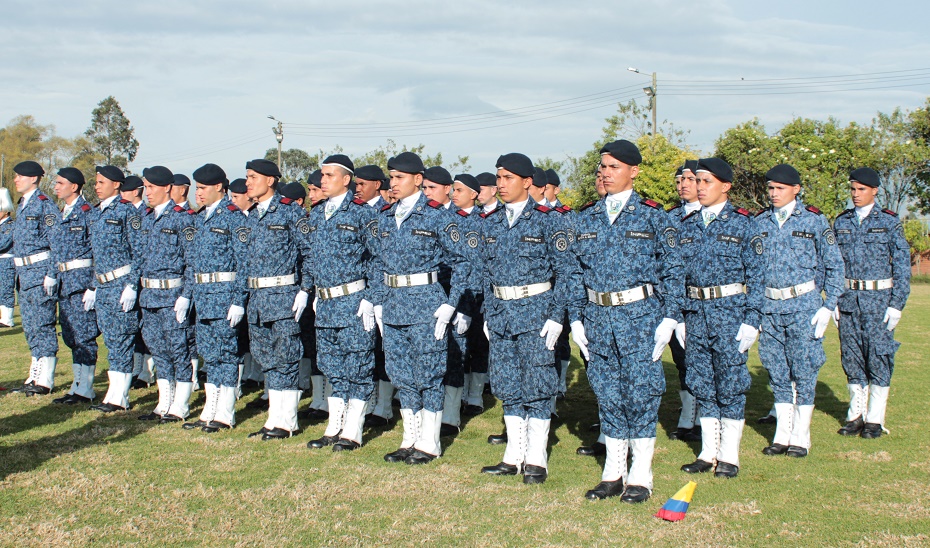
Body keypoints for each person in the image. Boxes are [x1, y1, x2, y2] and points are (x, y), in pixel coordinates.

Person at [571, 140, 683, 503]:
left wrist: (669, 318)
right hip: (597, 318)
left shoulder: (654, 216)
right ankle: (613, 473)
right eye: (602, 166)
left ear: (633, 171)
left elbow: (674, 269)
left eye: (614, 167)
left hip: (640, 318)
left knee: (641, 394)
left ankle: (641, 474)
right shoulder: (585, 217)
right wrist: (575, 316)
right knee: (607, 393)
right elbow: (573, 272)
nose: (605, 172)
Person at [478, 153, 581, 485]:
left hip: (536, 313)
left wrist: (556, 317)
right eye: (499, 177)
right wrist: (488, 312)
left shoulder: (549, 220)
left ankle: (536, 458)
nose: (501, 184)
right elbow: (485, 273)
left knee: (537, 386)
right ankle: (513, 455)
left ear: (526, 181)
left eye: (508, 177)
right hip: (501, 315)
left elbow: (567, 274)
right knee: (507, 384)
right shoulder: (490, 221)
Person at [376, 151, 470, 465]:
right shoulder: (386, 215)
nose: (393, 183)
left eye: (400, 177)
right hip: (393, 304)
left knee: (429, 374)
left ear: (418, 179)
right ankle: (409, 439)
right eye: (391, 177)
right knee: (401, 374)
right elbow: (379, 263)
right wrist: (377, 302)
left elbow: (463, 263)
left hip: (425, 304)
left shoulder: (437, 215)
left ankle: (429, 442)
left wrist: (450, 304)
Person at [678, 158, 764, 479]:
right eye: (696, 181)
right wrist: (680, 317)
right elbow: (677, 276)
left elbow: (758, 276)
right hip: (696, 314)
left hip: (730, 314)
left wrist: (752, 319)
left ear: (725, 186)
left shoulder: (744, 224)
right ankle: (707, 452)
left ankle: (729, 456)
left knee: (729, 384)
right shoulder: (686, 226)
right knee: (702, 382)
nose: (699, 188)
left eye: (706, 182)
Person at [755, 164, 845, 458]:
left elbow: (835, 265)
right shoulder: (760, 222)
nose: (773, 193)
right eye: (770, 188)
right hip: (769, 306)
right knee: (777, 370)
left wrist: (828, 305)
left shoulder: (814, 222)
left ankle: (801, 436)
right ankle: (782, 434)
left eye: (780, 188)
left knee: (804, 369)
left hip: (803, 305)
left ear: (796, 189)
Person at [301, 155, 381, 451]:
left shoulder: (362, 213)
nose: (323, 180)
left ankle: (353, 430)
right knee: (331, 365)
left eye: (329, 175)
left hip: (352, 301)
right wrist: (307, 291)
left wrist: (371, 298)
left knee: (357, 364)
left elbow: (377, 258)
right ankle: (334, 426)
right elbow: (310, 257)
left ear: (346, 179)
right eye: (322, 175)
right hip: (325, 302)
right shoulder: (316, 213)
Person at [834, 167, 910, 439]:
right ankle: (856, 416)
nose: (856, 194)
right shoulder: (841, 222)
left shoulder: (889, 222)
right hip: (849, 300)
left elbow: (901, 265)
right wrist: (833, 300)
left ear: (875, 191)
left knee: (879, 356)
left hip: (879, 300)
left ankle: (875, 420)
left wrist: (896, 304)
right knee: (852, 358)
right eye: (853, 189)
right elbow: (833, 265)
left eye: (862, 189)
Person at [242, 158, 313, 440]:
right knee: (267, 360)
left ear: (270, 180)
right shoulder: (253, 215)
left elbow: (309, 253)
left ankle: (288, 421)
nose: (247, 182)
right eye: (246, 177)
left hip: (283, 297)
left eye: (252, 177)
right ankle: (274, 418)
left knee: (286, 358)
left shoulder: (289, 212)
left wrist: (305, 290)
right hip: (257, 299)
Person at [183, 163, 249, 432]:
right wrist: (188, 296)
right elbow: (193, 263)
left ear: (220, 188)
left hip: (224, 296)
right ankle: (210, 407)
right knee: (210, 355)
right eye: (197, 188)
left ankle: (225, 412)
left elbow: (244, 262)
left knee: (226, 354)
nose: (198, 193)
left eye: (203, 188)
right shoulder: (200, 219)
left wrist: (238, 300)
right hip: (204, 297)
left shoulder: (234, 217)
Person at [135, 166, 197, 423]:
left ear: (167, 189)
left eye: (151, 187)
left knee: (178, 350)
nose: (146, 192)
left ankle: (180, 405)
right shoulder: (148, 219)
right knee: (158, 350)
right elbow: (139, 257)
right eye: (145, 187)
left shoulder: (183, 219)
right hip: (149, 296)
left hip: (172, 296)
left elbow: (193, 261)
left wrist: (186, 295)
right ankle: (164, 403)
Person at [89, 166, 147, 412]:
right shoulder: (98, 212)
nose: (96, 186)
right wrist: (93, 286)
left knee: (122, 339)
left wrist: (132, 285)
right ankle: (113, 393)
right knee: (111, 340)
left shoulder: (126, 212)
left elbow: (139, 251)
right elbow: (97, 255)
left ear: (116, 185)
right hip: (103, 284)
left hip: (121, 283)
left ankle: (119, 397)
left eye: (101, 182)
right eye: (96, 182)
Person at [49, 168, 101, 404]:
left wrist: (93, 286)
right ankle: (77, 385)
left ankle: (86, 388)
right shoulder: (63, 213)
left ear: (75, 187)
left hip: (81, 284)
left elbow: (99, 252)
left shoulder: (87, 213)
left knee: (84, 336)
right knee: (71, 335)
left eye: (61, 183)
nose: (56, 187)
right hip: (64, 283)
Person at [10, 161, 61, 395]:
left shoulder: (44, 205)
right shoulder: (22, 204)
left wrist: (52, 274)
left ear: (34, 179)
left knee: (43, 325)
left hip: (39, 272)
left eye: (20, 176)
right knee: (30, 327)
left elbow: (57, 242)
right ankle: (34, 375)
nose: (15, 180)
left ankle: (45, 379)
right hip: (24, 274)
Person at [666, 161, 703, 441]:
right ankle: (688, 414)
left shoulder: (712, 215)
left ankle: (705, 416)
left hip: (708, 302)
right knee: (682, 358)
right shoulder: (668, 218)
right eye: (679, 181)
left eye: (690, 179)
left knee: (705, 359)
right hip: (677, 300)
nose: (684, 185)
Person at [354, 164, 394, 426]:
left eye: (362, 184)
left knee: (384, 351)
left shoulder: (386, 212)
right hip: (360, 292)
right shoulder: (354, 212)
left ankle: (384, 406)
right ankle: (368, 403)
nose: (357, 189)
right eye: (355, 184)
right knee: (363, 351)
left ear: (377, 185)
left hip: (386, 292)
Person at [120, 175, 155, 389]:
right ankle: (136, 369)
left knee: (147, 327)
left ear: (135, 192)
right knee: (133, 327)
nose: (121, 196)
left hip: (145, 279)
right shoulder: (125, 212)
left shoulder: (145, 213)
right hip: (129, 278)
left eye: (125, 191)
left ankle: (146, 372)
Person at [0, 188, 16, 328]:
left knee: (5, 289)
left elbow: (3, 243)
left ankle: (7, 318)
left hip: (6, 260)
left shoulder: (10, 226)